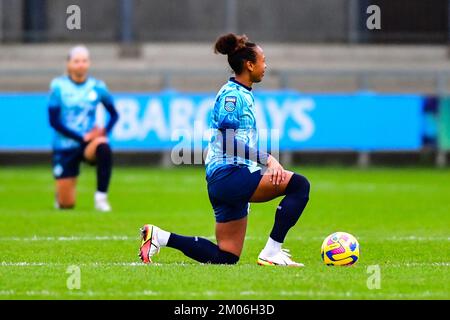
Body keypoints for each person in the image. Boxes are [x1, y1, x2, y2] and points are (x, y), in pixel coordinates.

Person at [139, 34, 310, 266]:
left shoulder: (241, 92)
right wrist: (267, 159)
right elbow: (229, 141)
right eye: (263, 60)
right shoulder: (232, 96)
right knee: (299, 185)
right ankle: (272, 252)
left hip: (225, 180)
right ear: (250, 65)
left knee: (226, 256)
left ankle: (159, 236)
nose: (266, 65)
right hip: (230, 175)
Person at [48, 45, 119, 212]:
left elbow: (114, 114)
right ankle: (62, 193)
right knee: (66, 205)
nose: (81, 64)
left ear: (89, 63)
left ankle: (101, 197)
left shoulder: (97, 87)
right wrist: (81, 137)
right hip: (65, 145)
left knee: (103, 146)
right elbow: (53, 121)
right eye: (76, 61)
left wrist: (103, 132)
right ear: (69, 64)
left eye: (84, 61)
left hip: (88, 145)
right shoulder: (58, 86)